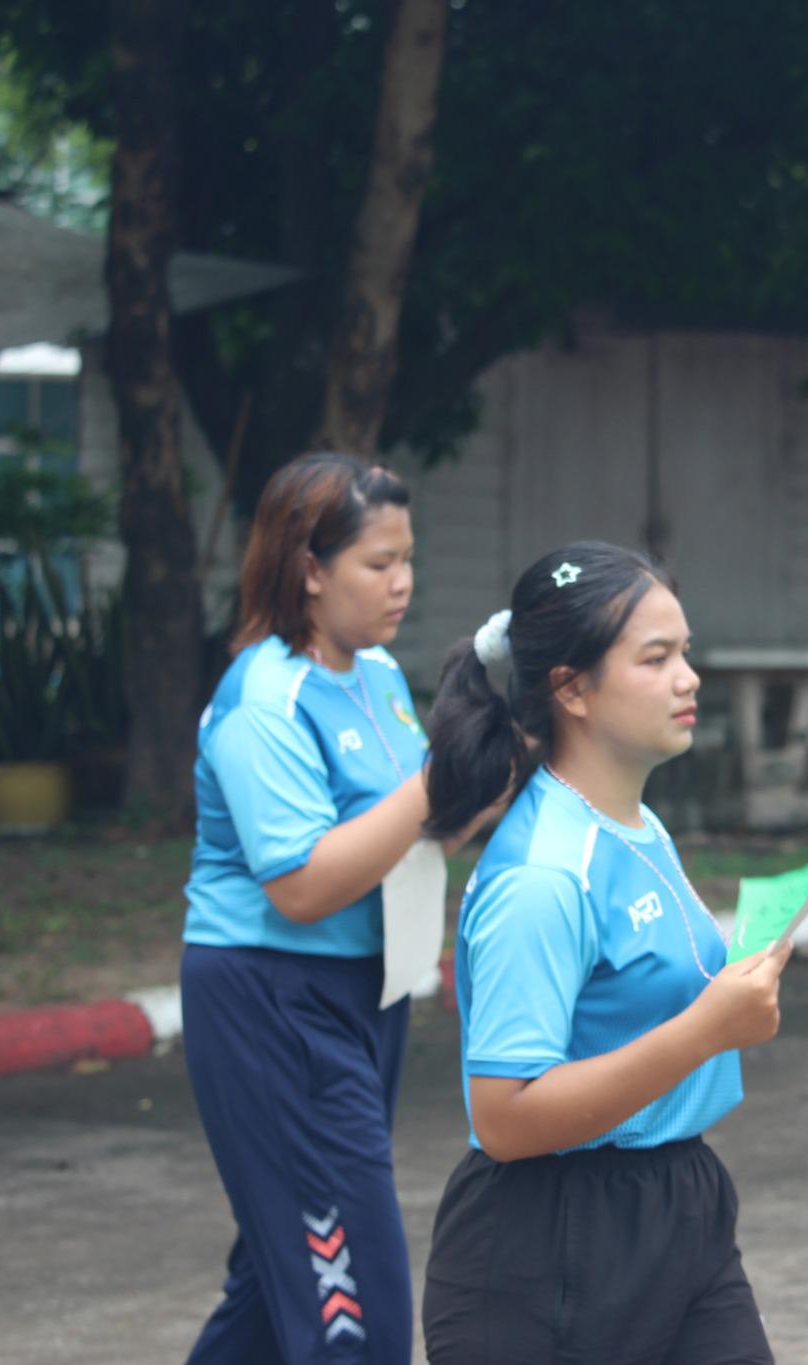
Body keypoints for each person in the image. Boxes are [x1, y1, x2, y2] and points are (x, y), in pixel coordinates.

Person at [421, 541, 789, 1365]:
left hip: (677, 1206)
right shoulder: (544, 874)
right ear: (571, 687)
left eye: (684, 652)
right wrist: (707, 1030)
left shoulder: (635, 823)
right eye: (655, 658)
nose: (688, 677)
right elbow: (506, 1117)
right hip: (546, 1245)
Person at [181, 453, 490, 1365]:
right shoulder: (262, 697)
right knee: (356, 1307)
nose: (402, 583)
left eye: (408, 560)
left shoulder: (380, 677)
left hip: (364, 996)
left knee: (276, 1291)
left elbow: (416, 831)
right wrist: (439, 777)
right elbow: (305, 883)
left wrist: (499, 771)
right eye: (378, 562)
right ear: (309, 569)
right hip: (276, 1002)